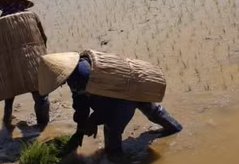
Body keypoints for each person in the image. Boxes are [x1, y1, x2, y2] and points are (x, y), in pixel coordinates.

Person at [37, 51, 183, 156]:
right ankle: (177, 129)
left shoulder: (80, 77)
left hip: (122, 95)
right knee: (153, 111)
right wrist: (80, 129)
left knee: (111, 130)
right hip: (133, 81)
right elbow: (81, 104)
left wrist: (92, 122)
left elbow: (107, 107)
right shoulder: (81, 64)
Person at [0, 0, 50, 129]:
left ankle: (6, 122)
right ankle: (43, 126)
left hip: (9, 65)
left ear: (2, 5)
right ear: (21, 2)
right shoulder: (31, 16)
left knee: (9, 95)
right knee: (41, 95)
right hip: (33, 62)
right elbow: (43, 38)